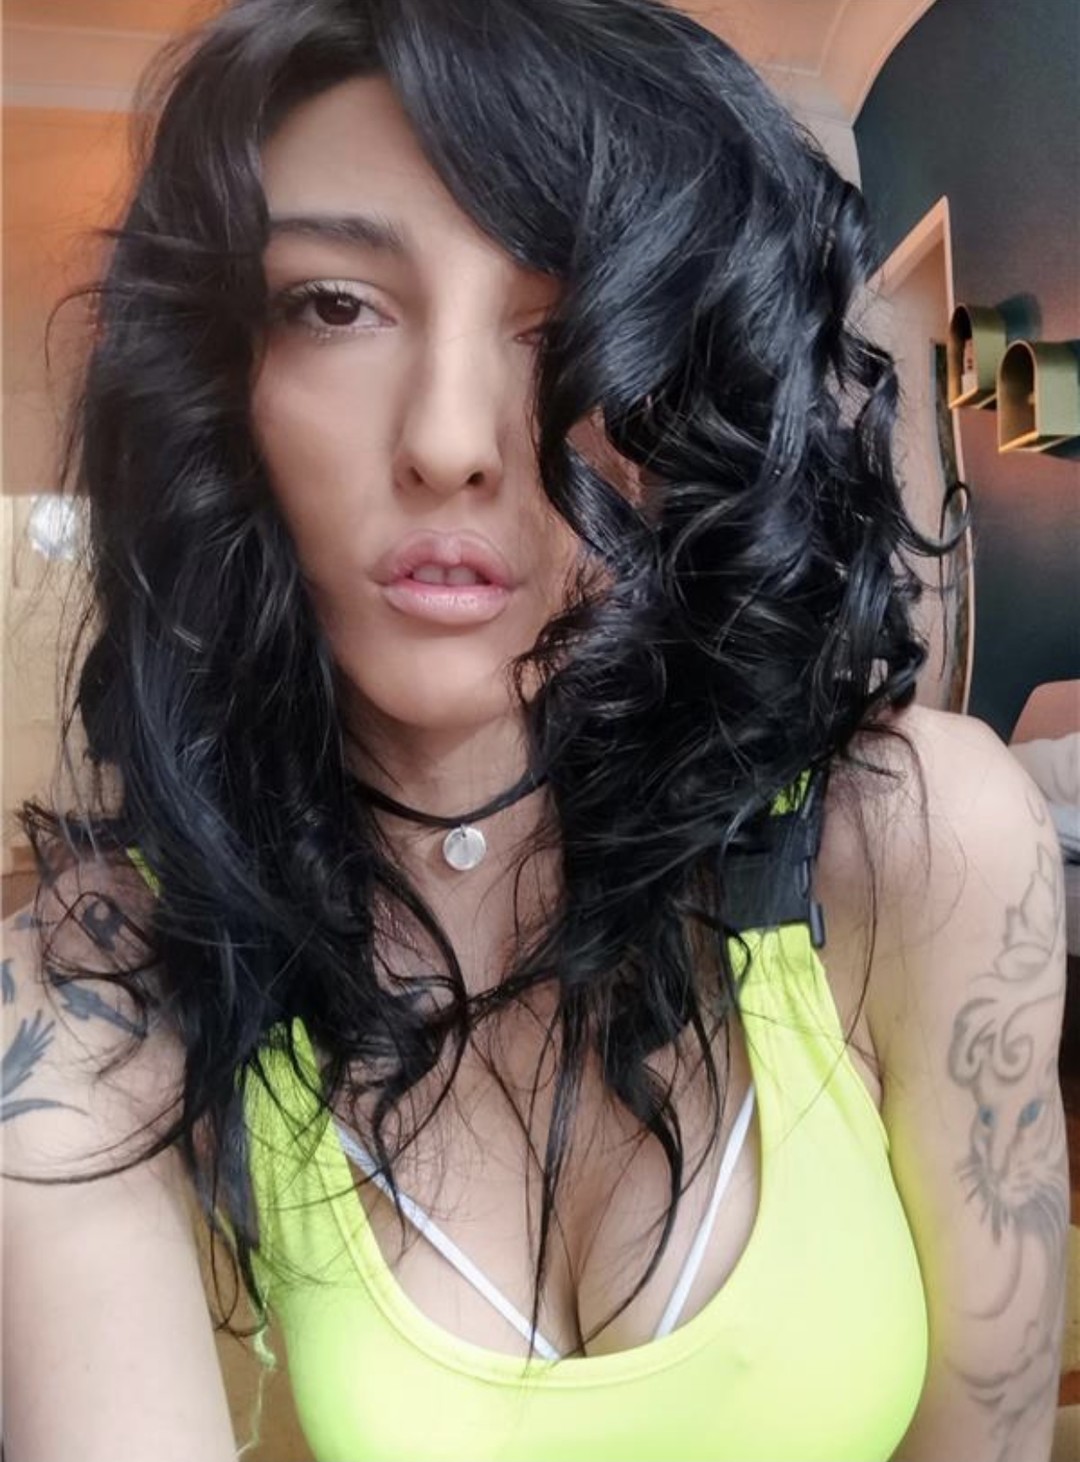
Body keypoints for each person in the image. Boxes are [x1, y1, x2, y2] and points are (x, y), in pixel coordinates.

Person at [1, 1, 1069, 1459]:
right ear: (221, 381)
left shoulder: (921, 841)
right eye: (337, 305)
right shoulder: (93, 996)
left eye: (574, 321)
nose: (449, 439)